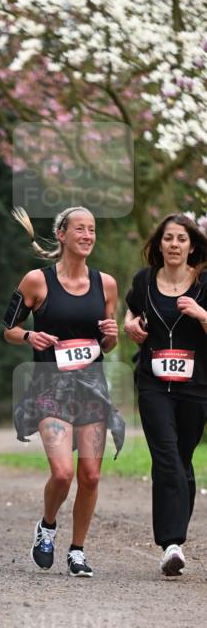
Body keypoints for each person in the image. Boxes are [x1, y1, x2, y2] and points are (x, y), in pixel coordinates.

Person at [4, 206, 122, 577]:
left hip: (91, 389)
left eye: (92, 229)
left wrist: (111, 337)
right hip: (49, 389)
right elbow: (8, 328)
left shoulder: (107, 284)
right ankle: (47, 526)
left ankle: (77, 551)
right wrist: (28, 335)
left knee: (91, 476)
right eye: (80, 229)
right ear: (62, 235)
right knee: (62, 474)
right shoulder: (36, 281)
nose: (87, 235)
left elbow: (107, 346)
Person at [123, 213, 207, 577]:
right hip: (153, 382)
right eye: (168, 238)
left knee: (183, 461)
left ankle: (175, 537)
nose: (174, 245)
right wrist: (130, 325)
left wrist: (202, 313)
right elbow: (132, 311)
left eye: (181, 239)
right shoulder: (144, 281)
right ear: (159, 244)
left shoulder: (204, 283)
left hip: (196, 385)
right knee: (167, 457)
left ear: (192, 246)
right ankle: (171, 544)